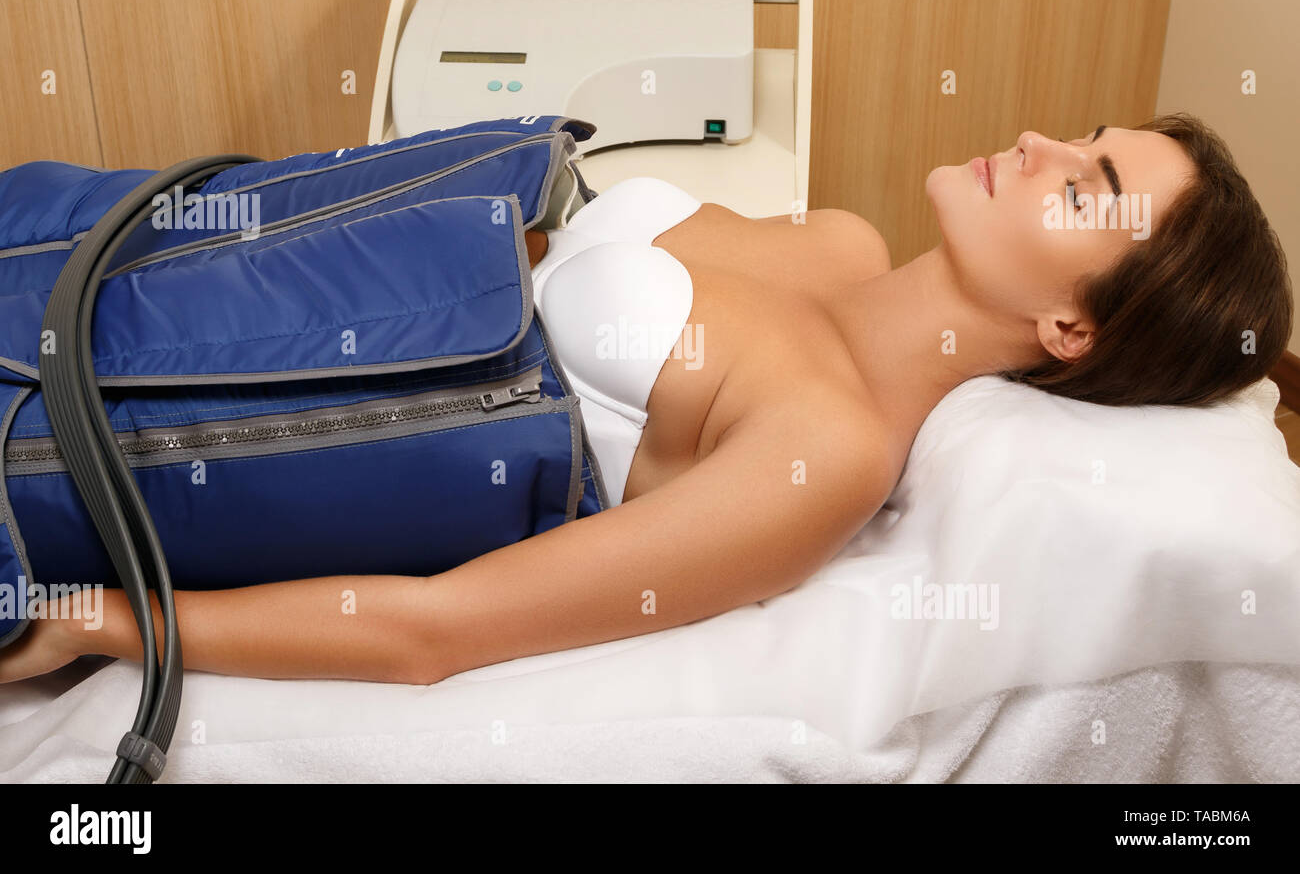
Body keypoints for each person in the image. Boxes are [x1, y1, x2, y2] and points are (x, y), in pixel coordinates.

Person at [1, 113, 1290, 686]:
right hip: (249, 251)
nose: (1045, 143)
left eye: (1085, 185)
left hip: (212, 413)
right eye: (1090, 134)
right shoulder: (835, 237)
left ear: (1073, 329)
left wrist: (107, 624)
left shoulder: (827, 453)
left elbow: (441, 630)